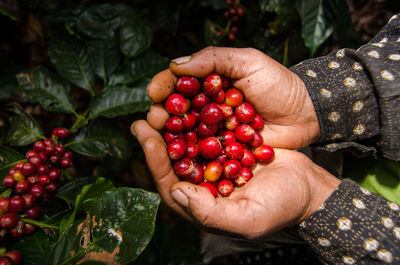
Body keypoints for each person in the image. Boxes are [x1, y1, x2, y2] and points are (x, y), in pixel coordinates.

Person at [131, 13, 400, 264]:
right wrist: (316, 98)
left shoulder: (231, 140)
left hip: (332, 217)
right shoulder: (225, 127)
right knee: (219, 245)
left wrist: (319, 204)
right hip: (334, 153)